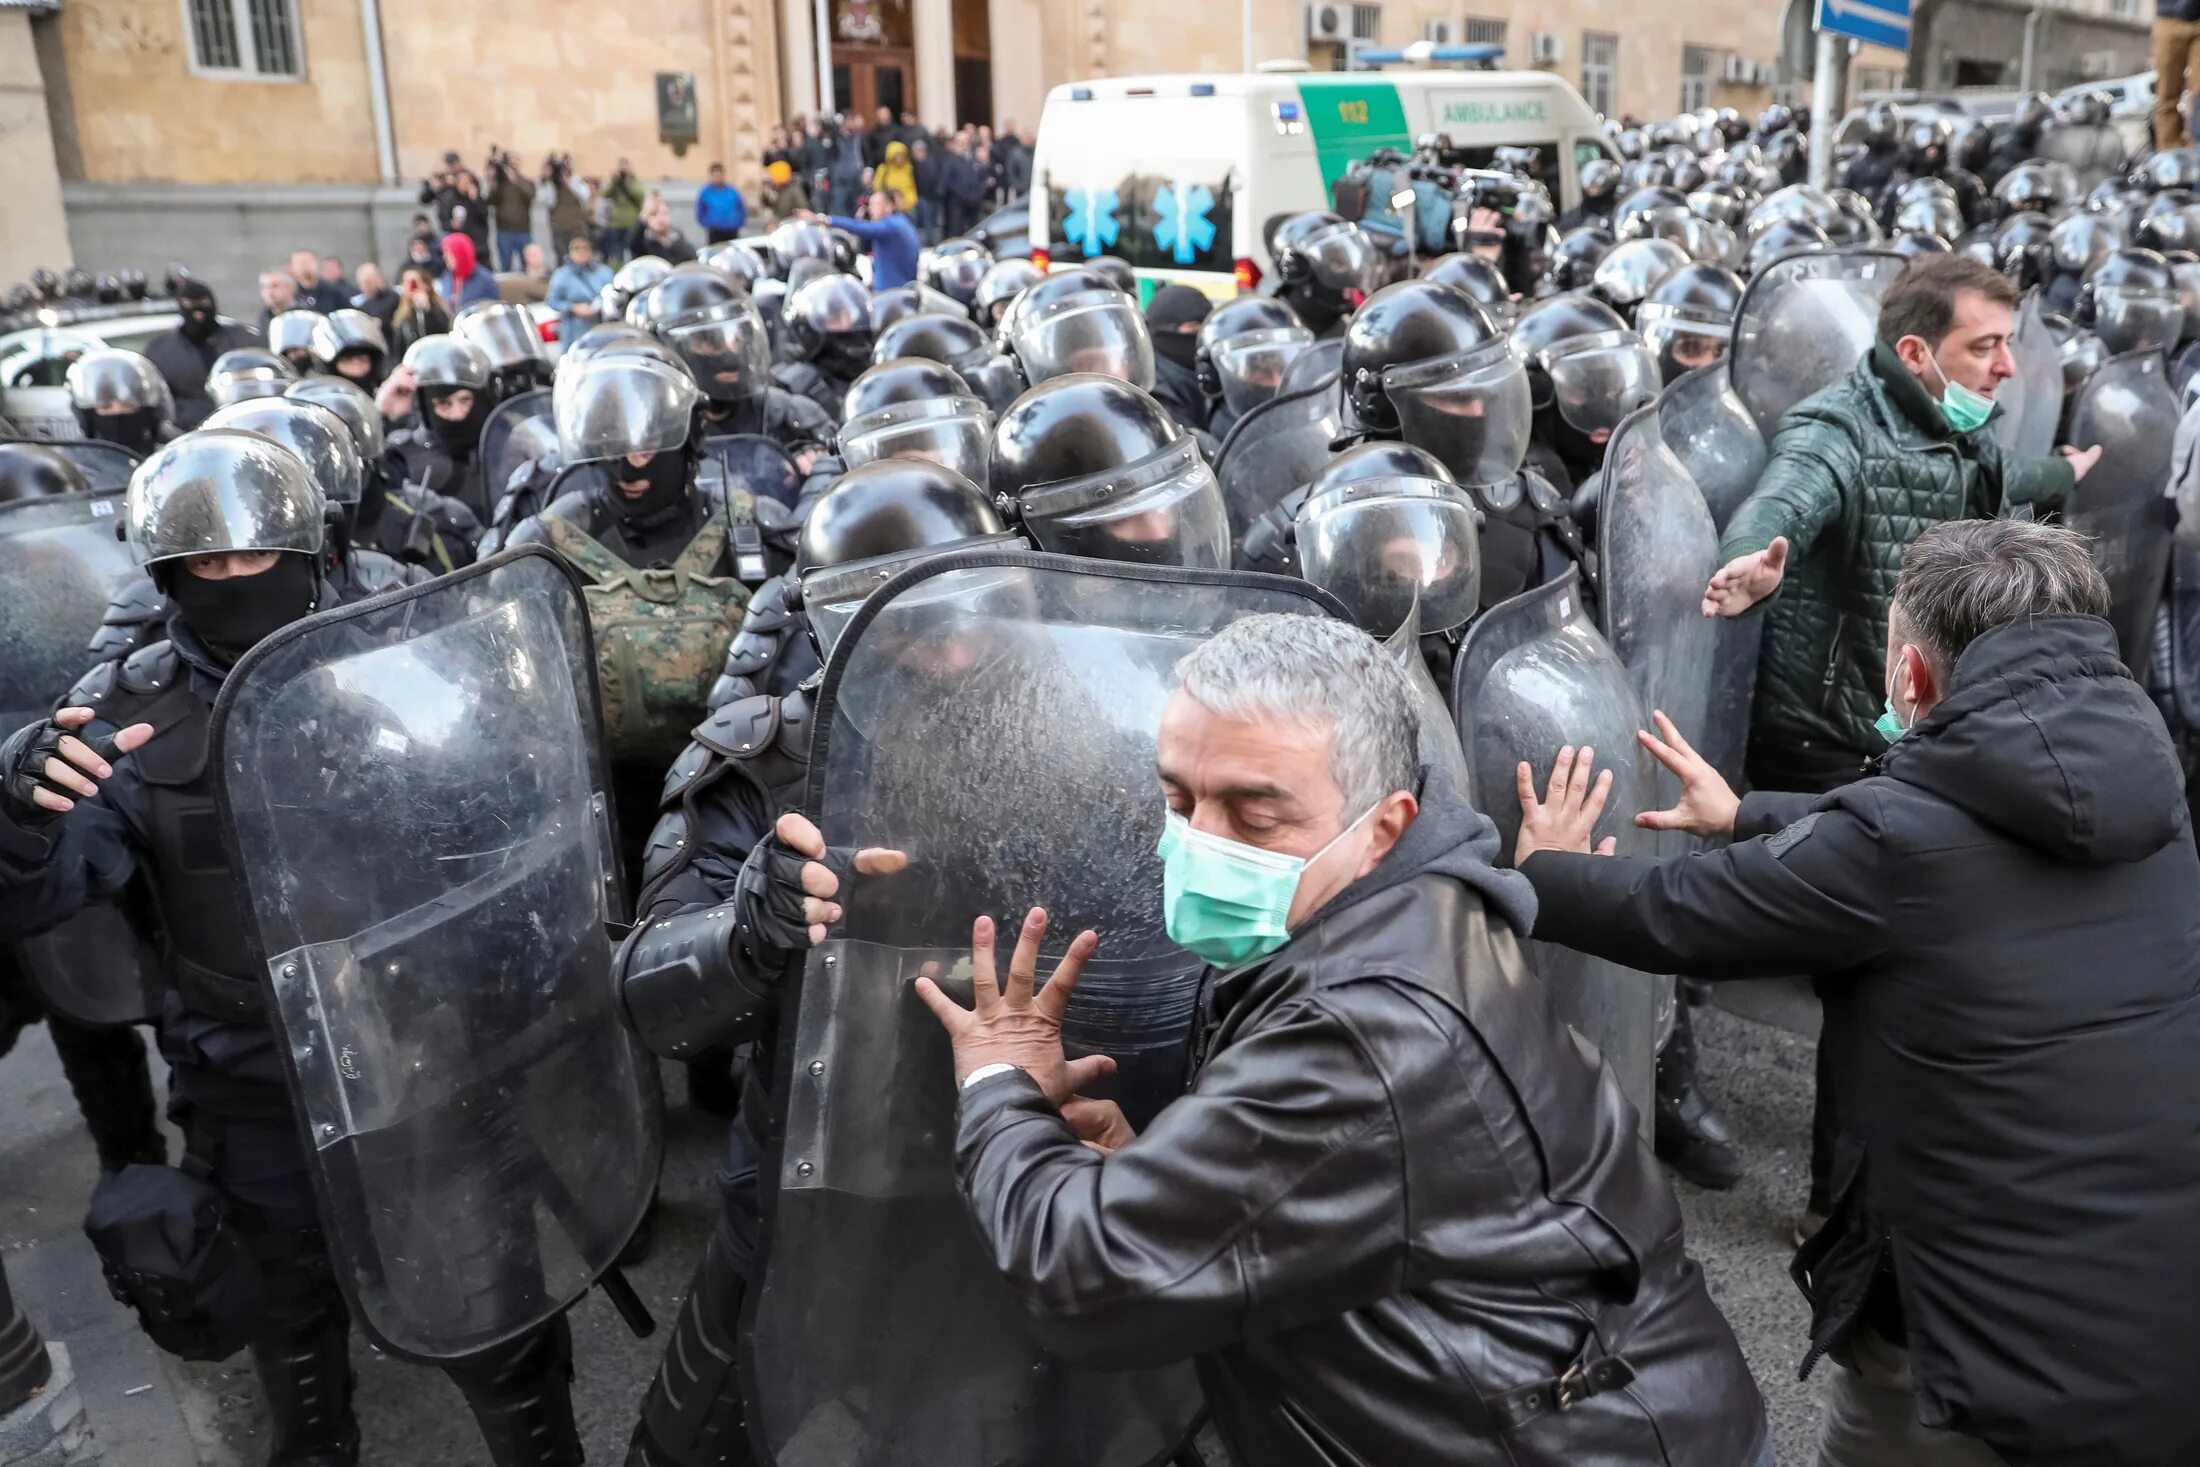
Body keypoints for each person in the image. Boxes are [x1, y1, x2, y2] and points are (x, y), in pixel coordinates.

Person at [909, 612, 1770, 1467]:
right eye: (1178, 799)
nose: (1199, 843)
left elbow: (1082, 1278)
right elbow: (1369, 1193)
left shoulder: (1364, 1037)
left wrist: (999, 1086)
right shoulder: (1417, 900)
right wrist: (1170, 1172)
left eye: (1256, 815)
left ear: (1384, 823)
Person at [1514, 519, 2200, 1467]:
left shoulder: (1892, 846)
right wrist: (1747, 814)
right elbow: (1952, 838)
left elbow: (1670, 910)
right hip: (2155, 1306)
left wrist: (1543, 872)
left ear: (1912, 677)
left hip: (1978, 1355)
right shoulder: (2143, 799)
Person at [0, 433, 583, 1466]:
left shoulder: (400, 663)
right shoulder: (130, 717)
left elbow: (511, 833)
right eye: (204, 564)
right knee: (295, 1346)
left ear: (309, 552)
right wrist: (21, 812)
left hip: (431, 1066)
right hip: (250, 1085)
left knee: (500, 1334)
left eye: (251, 556)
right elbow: (52, 890)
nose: (230, 581)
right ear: (166, 572)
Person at [1703, 252, 2099, 1232]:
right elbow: (1786, 497)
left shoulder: (1956, 426)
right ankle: (1842, 1213)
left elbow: (2003, 475)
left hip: (1910, 722)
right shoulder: (1836, 428)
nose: (2006, 367)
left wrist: (2066, 471)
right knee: (1874, 986)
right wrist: (1748, 559)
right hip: (1835, 731)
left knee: (1896, 968)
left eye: (2010, 343)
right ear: (1916, 351)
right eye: (1985, 346)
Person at [142, 281, 261, 430]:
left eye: (203, 304)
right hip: (187, 431)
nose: (198, 314)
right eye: (190, 306)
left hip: (243, 423)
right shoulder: (161, 349)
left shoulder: (242, 340)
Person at [1143, 283, 1213, 435]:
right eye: (1194, 328)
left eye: (1208, 327)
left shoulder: (1208, 368)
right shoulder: (1156, 391)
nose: (1203, 336)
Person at [818, 189, 919, 290]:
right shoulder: (901, 222)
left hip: (891, 292)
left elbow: (860, 228)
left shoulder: (891, 226)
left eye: (875, 204)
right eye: (870, 205)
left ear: (888, 207)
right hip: (898, 289)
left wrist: (827, 220)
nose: (870, 209)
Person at [547, 233, 615, 351]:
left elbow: (613, 293)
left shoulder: (604, 272)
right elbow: (552, 300)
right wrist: (573, 307)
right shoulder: (562, 275)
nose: (581, 252)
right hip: (573, 326)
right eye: (576, 248)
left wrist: (599, 304)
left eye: (585, 248)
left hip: (600, 323)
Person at [2157, 0, 2200, 150]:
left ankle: (2196, 154)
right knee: (2167, 95)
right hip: (2169, 18)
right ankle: (2169, 158)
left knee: (2199, 95)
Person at [486, 147, 537, 272]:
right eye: (510, 159)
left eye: (516, 159)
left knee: (527, 265)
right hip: (504, 230)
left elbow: (530, 196)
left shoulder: (527, 182)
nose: (513, 162)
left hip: (523, 230)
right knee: (505, 266)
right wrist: (493, 183)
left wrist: (516, 181)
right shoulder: (500, 184)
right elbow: (490, 201)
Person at [387, 265, 452, 358]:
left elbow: (443, 330)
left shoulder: (437, 308)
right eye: (405, 282)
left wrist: (427, 309)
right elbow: (398, 348)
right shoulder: (402, 314)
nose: (408, 286)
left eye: (413, 282)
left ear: (425, 285)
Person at [438, 232, 499, 311]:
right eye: (444, 253)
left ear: (461, 254)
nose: (445, 257)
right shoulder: (447, 277)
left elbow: (491, 313)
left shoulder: (485, 281)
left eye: (449, 253)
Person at [603, 159, 648, 266]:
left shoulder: (635, 182)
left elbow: (639, 195)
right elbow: (605, 194)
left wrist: (627, 182)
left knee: (631, 250)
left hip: (631, 222)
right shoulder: (616, 183)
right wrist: (615, 180)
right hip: (616, 223)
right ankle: (617, 268)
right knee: (616, 251)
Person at [632, 200, 699, 266]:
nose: (660, 218)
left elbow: (691, 258)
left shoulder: (677, 238)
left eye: (664, 213)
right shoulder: (643, 241)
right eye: (654, 214)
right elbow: (633, 244)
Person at [696, 162, 748, 244]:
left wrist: (738, 222)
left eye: (720, 175)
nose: (718, 178)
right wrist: (707, 223)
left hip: (732, 231)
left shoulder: (732, 191)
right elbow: (700, 211)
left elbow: (741, 207)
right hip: (714, 232)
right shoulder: (705, 192)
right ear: (711, 176)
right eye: (715, 176)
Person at [351, 262, 399, 331]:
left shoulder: (393, 298)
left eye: (368, 282)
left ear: (377, 279)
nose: (364, 287)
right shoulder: (364, 305)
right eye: (361, 283)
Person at [759, 160, 809, 224]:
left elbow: (803, 209)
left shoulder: (794, 190)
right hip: (780, 224)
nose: (770, 179)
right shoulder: (776, 190)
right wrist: (766, 195)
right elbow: (770, 204)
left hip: (791, 225)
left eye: (772, 177)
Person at [871, 140, 916, 211]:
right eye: (898, 155)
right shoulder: (884, 169)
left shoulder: (908, 169)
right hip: (888, 207)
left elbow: (912, 187)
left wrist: (911, 201)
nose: (901, 157)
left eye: (903, 155)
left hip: (907, 207)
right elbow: (877, 187)